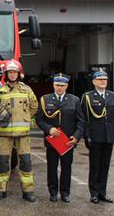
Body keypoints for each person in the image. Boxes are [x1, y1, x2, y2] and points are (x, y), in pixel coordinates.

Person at [0, 60, 38, 202]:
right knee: (3, 162)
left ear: (19, 74)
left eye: (14, 72)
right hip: (4, 133)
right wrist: (1, 118)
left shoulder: (27, 90)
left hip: (23, 134)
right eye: (10, 72)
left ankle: (28, 191)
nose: (12, 75)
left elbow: (34, 106)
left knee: (25, 162)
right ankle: (0, 190)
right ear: (6, 74)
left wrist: (25, 118)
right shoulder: (0, 90)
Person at [36, 73, 84, 203]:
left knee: (66, 168)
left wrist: (76, 136)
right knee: (52, 167)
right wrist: (49, 129)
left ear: (67, 86)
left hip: (67, 141)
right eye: (57, 85)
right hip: (52, 140)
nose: (59, 88)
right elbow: (39, 120)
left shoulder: (74, 100)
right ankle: (52, 192)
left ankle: (65, 193)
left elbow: (80, 121)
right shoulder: (45, 99)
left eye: (62, 85)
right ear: (53, 85)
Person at [81, 70, 114, 204]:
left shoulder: (112, 96)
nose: (103, 82)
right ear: (94, 82)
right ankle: (93, 193)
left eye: (104, 79)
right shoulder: (88, 97)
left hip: (108, 136)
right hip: (95, 136)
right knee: (95, 166)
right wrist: (86, 136)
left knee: (105, 166)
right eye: (100, 80)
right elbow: (84, 119)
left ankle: (102, 192)